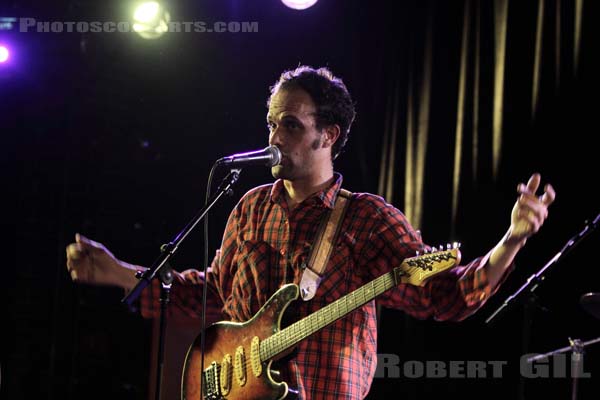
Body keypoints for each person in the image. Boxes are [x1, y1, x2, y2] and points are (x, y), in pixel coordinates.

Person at [66, 66, 555, 399]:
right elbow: (214, 293)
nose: (275, 137)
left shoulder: (366, 219)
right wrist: (125, 275)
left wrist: (511, 240)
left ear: (330, 135)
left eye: (291, 126)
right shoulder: (250, 207)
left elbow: (447, 296)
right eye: (271, 124)